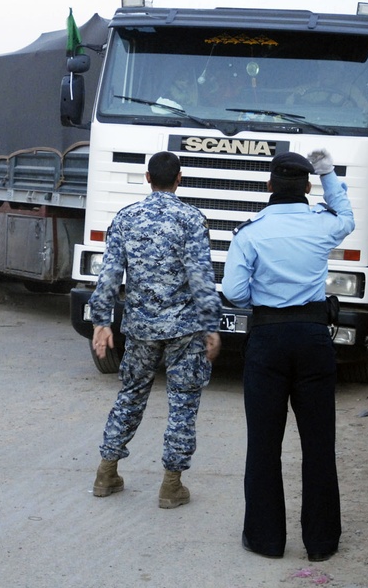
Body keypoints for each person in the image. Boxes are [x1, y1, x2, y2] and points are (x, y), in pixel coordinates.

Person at [221, 149, 354, 562]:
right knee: (318, 444)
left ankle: (265, 539)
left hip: (268, 340)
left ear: (268, 187)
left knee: (264, 444)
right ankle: (321, 542)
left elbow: (235, 293)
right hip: (314, 339)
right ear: (308, 188)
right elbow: (347, 217)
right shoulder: (323, 225)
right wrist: (331, 175)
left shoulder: (250, 233)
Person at [90, 151, 222, 509]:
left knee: (131, 395)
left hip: (141, 327)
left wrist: (101, 321)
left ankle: (107, 472)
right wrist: (212, 324)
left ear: (147, 178)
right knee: (183, 401)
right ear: (180, 179)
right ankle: (171, 485)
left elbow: (109, 274)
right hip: (185, 330)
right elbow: (200, 276)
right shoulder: (191, 219)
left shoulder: (126, 218)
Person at [286, 60, 368, 110]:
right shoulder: (306, 89)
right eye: (325, 69)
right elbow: (289, 106)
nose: (328, 73)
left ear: (340, 73)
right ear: (319, 71)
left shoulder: (351, 90)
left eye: (332, 69)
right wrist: (295, 96)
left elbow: (365, 110)